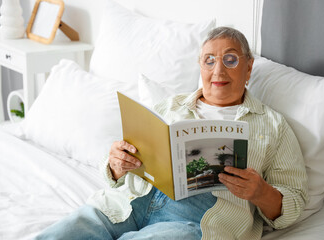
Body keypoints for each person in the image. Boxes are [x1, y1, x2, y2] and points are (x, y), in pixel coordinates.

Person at [36, 27, 308, 240]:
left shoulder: (273, 126)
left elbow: (294, 202)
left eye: (230, 59)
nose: (218, 70)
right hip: (127, 204)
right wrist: (116, 165)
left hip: (194, 220)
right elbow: (118, 170)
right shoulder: (168, 107)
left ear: (248, 68)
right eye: (209, 60)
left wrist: (261, 192)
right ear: (200, 67)